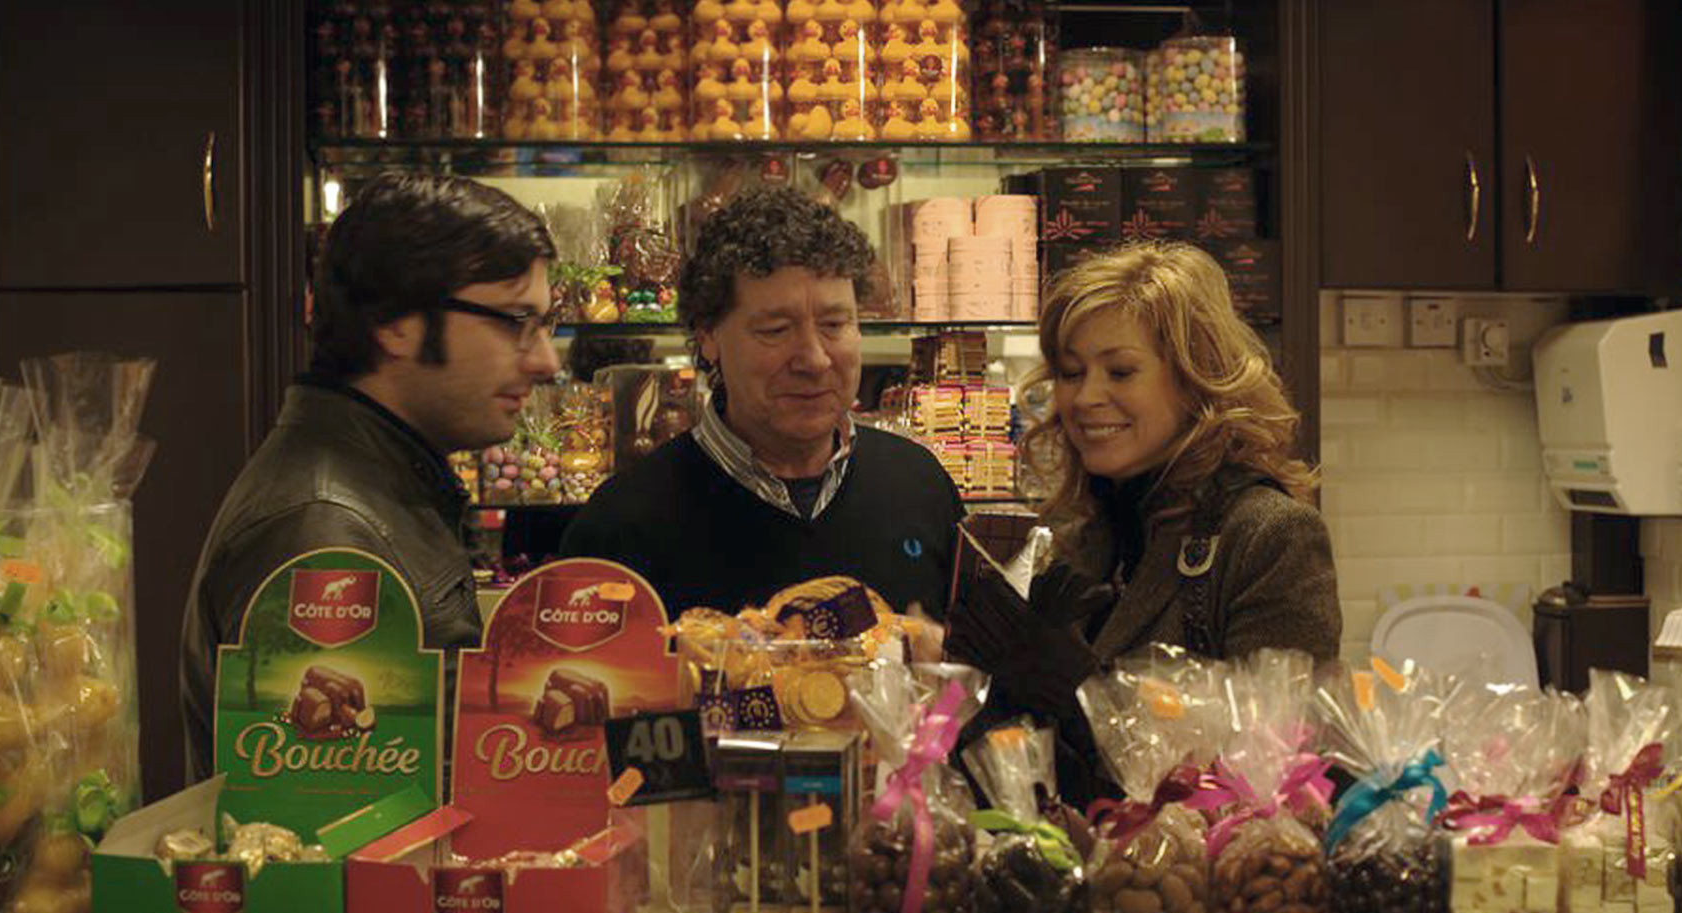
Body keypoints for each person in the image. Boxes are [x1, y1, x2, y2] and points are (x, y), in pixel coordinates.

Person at [179, 171, 561, 778]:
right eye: (516, 321)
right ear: (396, 321)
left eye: (546, 325)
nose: (545, 360)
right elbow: (325, 830)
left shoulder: (380, 481)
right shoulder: (326, 528)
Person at [948, 242, 1340, 797]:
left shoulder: (1267, 537)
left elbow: (1275, 784)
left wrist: (1082, 701)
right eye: (1070, 372)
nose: (1085, 397)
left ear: (1194, 378)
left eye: (1121, 371)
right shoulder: (1077, 540)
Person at [560, 185, 963, 620]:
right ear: (709, 336)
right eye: (775, 330)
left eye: (834, 323)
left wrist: (943, 684)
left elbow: (975, 685)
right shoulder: (621, 527)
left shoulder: (921, 487)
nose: (813, 358)